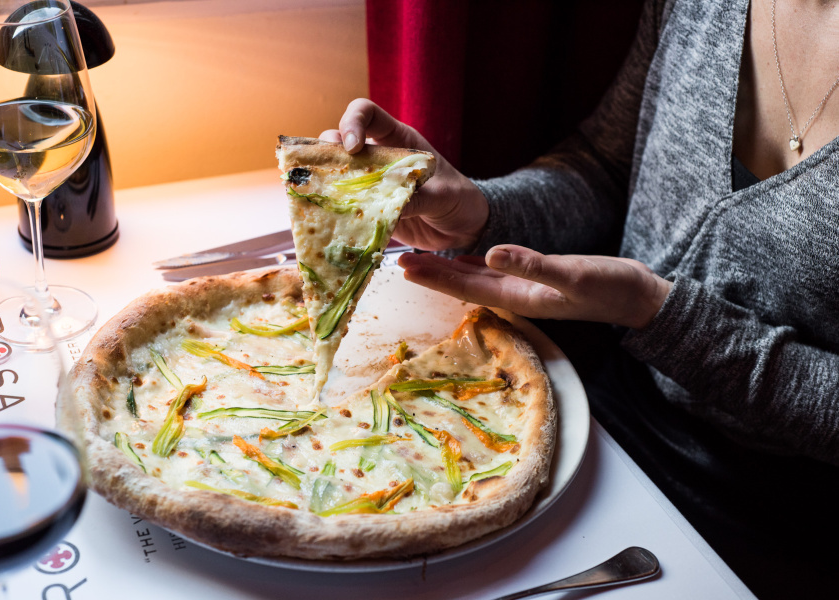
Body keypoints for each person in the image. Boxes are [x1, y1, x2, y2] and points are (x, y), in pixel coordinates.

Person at [320, 0, 839, 597]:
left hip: (792, 524)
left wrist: (659, 315)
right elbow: (605, 165)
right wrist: (480, 211)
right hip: (605, 422)